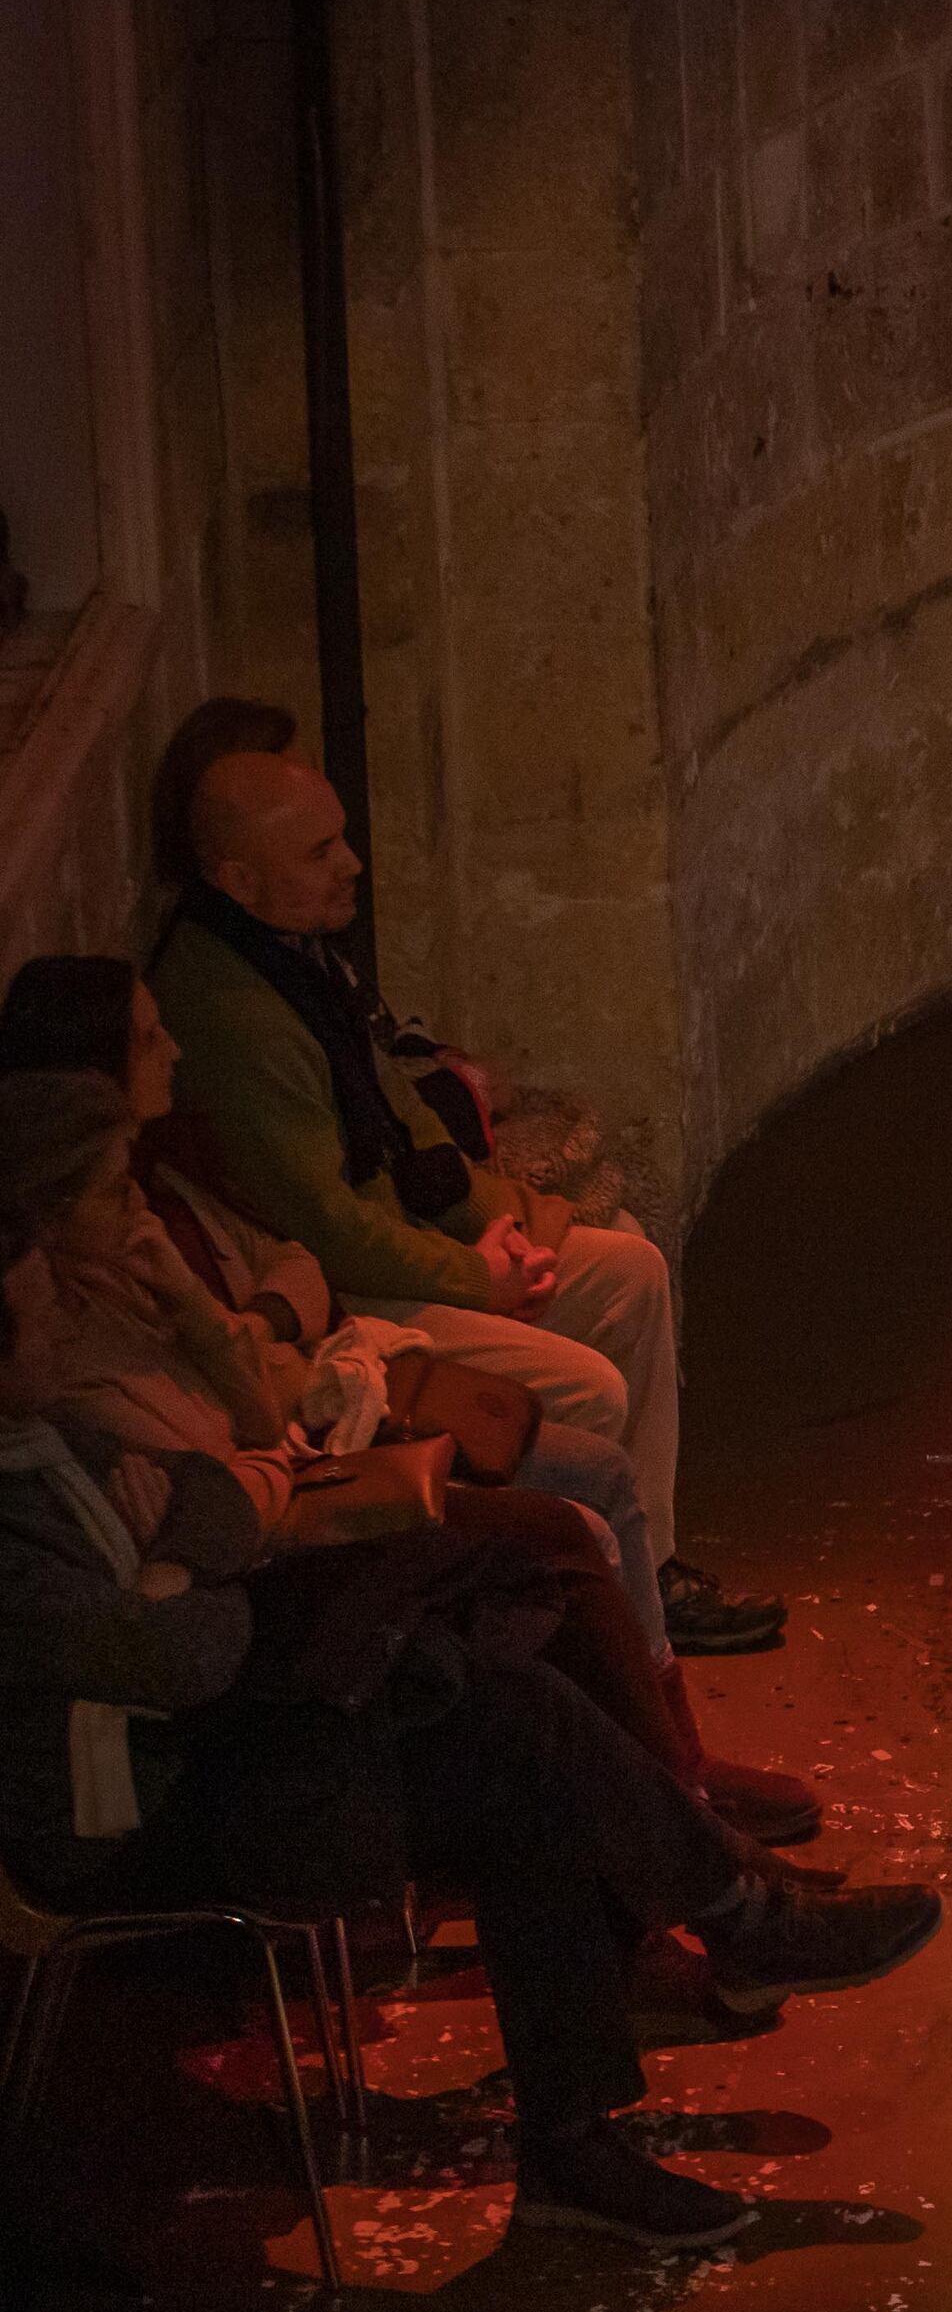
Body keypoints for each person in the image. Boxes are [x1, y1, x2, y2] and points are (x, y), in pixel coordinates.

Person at [0, 1206, 941, 2250]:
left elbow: (214, 1504)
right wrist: (205, 1553)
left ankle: (632, 2060)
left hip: (205, 1747)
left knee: (509, 1716)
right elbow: (190, 1649)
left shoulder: (62, 1442)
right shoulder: (19, 1510)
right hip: (137, 1818)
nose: (62, 1335)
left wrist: (196, 1551)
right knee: (499, 1687)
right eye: (43, 1319)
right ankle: (693, 1973)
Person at [0, 1068, 815, 1845]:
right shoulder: (65, 1374)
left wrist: (199, 1315)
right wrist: (206, 1526)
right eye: (114, 1188)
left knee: (583, 1505)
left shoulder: (139, 1259)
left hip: (293, 1495)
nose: (135, 1199)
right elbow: (217, 1518)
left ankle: (680, 1787)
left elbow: (274, 1337)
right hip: (290, 1551)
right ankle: (681, 1821)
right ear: (51, 1210)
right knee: (548, 1573)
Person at [140, 707, 779, 1649]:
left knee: (632, 1270)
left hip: (407, 1237)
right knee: (591, 1388)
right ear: (237, 878)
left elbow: (404, 1120)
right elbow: (333, 1229)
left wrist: (513, 1224)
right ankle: (587, 1615)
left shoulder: (292, 949)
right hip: (353, 1292)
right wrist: (481, 1276)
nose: (352, 865)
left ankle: (653, 1567)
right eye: (321, 852)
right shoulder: (234, 1019)